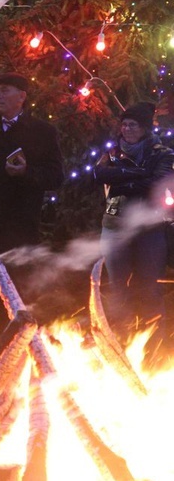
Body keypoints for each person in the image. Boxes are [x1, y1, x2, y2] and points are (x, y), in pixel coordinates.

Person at [0, 72, 64, 362]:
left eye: (5, 91)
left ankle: (11, 352)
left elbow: (56, 176)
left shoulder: (42, 132)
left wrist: (26, 173)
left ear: (22, 96)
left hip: (18, 223)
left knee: (14, 286)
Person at [94, 102, 174, 334]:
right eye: (124, 125)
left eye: (133, 125)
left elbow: (155, 184)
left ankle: (154, 340)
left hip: (150, 228)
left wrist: (121, 178)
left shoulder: (164, 154)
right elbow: (97, 174)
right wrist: (135, 174)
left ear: (145, 128)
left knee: (150, 287)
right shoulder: (111, 153)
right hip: (114, 225)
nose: (127, 129)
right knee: (117, 287)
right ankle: (120, 335)